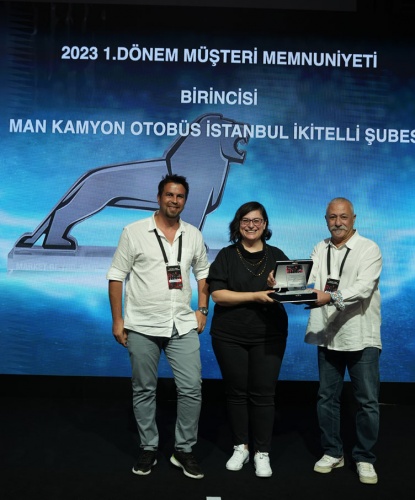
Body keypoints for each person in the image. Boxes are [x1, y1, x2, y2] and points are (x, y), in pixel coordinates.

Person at [106, 173, 210, 479]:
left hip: (182, 323)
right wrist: (117, 320)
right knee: (144, 389)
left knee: (191, 388)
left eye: (180, 196)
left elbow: (203, 273)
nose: (174, 201)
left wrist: (203, 309)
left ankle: (184, 449)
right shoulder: (134, 231)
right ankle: (149, 447)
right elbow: (116, 276)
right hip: (142, 324)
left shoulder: (193, 234)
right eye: (169, 195)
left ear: (185, 200)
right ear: (159, 197)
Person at [207, 201, 289, 478]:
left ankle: (262, 452)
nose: (251, 225)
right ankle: (240, 446)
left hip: (269, 335)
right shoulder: (227, 255)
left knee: (264, 394)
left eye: (257, 221)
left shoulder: (277, 255)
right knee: (236, 393)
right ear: (238, 224)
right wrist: (255, 295)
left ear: (265, 225)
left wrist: (277, 286)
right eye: (246, 221)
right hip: (229, 335)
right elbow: (218, 295)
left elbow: (292, 291)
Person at [305, 197, 382, 485]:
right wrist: (283, 283)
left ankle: (364, 457)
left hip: (361, 335)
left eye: (343, 217)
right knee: (326, 398)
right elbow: (308, 279)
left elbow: (363, 288)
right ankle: (333, 452)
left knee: (367, 401)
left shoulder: (369, 248)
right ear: (326, 219)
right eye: (332, 217)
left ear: (353, 218)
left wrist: (330, 296)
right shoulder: (320, 247)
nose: (337, 222)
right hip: (328, 334)